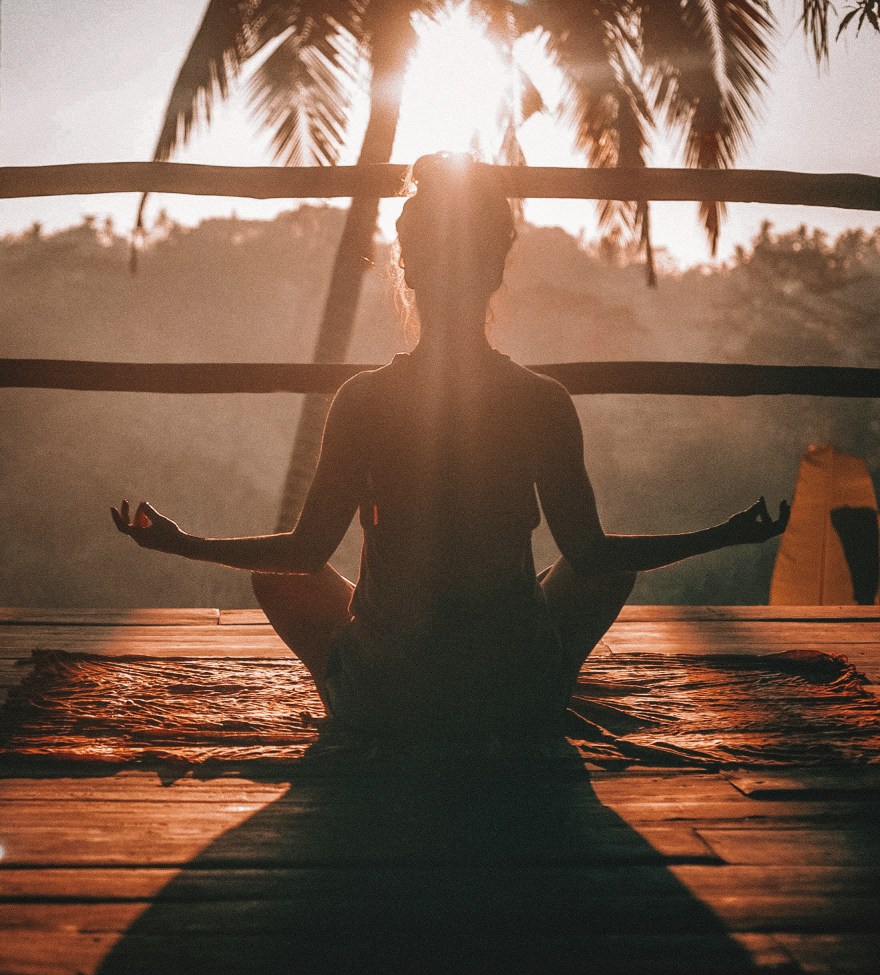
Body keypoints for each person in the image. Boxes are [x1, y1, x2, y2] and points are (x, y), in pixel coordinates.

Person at [112, 153, 789, 745]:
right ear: (495, 271)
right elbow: (593, 555)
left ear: (407, 271)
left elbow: (302, 554)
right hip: (515, 699)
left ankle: (366, 688)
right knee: (607, 569)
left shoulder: (364, 399)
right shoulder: (541, 400)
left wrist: (182, 542)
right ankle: (544, 679)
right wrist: (722, 535)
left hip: (388, 704)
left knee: (277, 576)